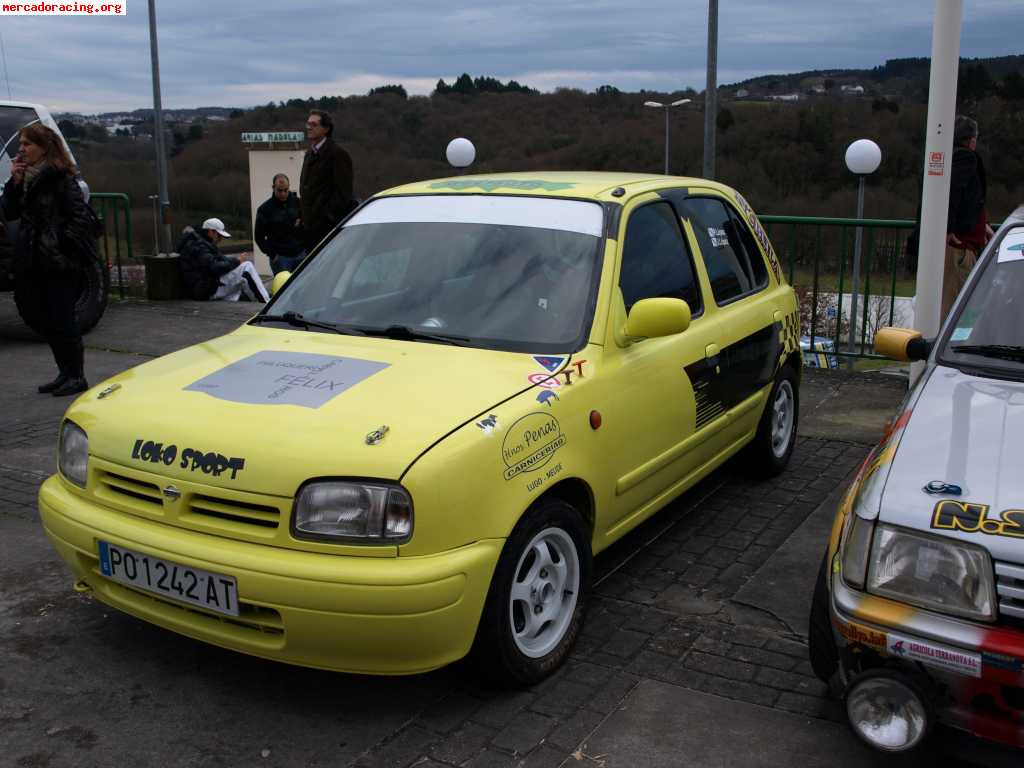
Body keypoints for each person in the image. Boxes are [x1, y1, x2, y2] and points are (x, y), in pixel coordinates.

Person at [1, 123, 97, 396]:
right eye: (21, 144)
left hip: (57, 261)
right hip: (34, 260)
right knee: (46, 319)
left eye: (27, 144)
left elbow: (78, 219)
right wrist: (14, 184)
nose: (21, 149)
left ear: (44, 148)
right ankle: (63, 372)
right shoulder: (26, 177)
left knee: (63, 318)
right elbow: (8, 212)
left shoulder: (61, 178)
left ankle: (76, 375)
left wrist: (60, 245)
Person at [943, 114, 994, 320]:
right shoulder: (965, 157)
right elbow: (954, 190)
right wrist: (948, 228)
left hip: (960, 246)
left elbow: (968, 199)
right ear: (971, 139)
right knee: (954, 310)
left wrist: (984, 225)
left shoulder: (947, 156)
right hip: (959, 248)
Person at [299, 109, 355, 250]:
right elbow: (306, 190)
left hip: (327, 229)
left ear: (326, 128)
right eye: (308, 124)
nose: (309, 127)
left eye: (314, 124)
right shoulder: (309, 154)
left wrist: (327, 218)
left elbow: (344, 193)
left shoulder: (337, 154)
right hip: (309, 231)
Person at [177, 218, 269, 302]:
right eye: (219, 236)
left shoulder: (201, 243)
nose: (220, 239)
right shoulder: (199, 246)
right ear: (211, 232)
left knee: (240, 272)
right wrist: (237, 261)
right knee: (247, 268)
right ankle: (267, 303)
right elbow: (215, 267)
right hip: (206, 290)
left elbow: (220, 260)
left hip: (206, 287)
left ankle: (258, 300)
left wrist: (236, 261)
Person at [255, 173, 305, 274]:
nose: (283, 193)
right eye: (280, 190)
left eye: (286, 190)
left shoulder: (298, 203)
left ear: (289, 187)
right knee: (284, 288)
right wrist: (272, 254)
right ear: (273, 188)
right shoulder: (264, 209)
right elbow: (259, 237)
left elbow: (307, 226)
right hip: (281, 259)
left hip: (301, 254)